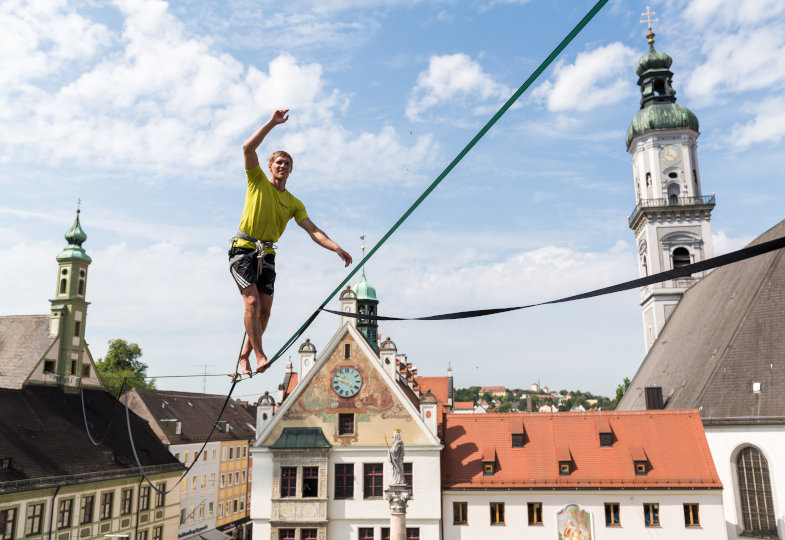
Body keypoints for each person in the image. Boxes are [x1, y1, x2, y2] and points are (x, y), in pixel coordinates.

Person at [229, 109, 352, 375]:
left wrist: (337, 248)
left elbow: (313, 230)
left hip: (268, 254)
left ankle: (246, 354)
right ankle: (260, 354)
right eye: (278, 162)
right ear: (270, 166)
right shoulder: (257, 180)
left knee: (265, 312)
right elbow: (247, 148)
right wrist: (272, 123)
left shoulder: (294, 203)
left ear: (291, 169)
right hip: (243, 249)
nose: (282, 166)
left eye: (287, 163)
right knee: (251, 302)